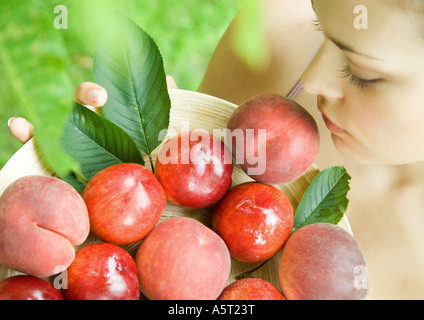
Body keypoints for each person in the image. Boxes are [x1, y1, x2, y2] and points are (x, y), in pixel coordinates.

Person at [8, 0, 424, 299]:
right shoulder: (275, 45)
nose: (312, 79)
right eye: (322, 30)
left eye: (363, 73)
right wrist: (127, 147)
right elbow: (193, 182)